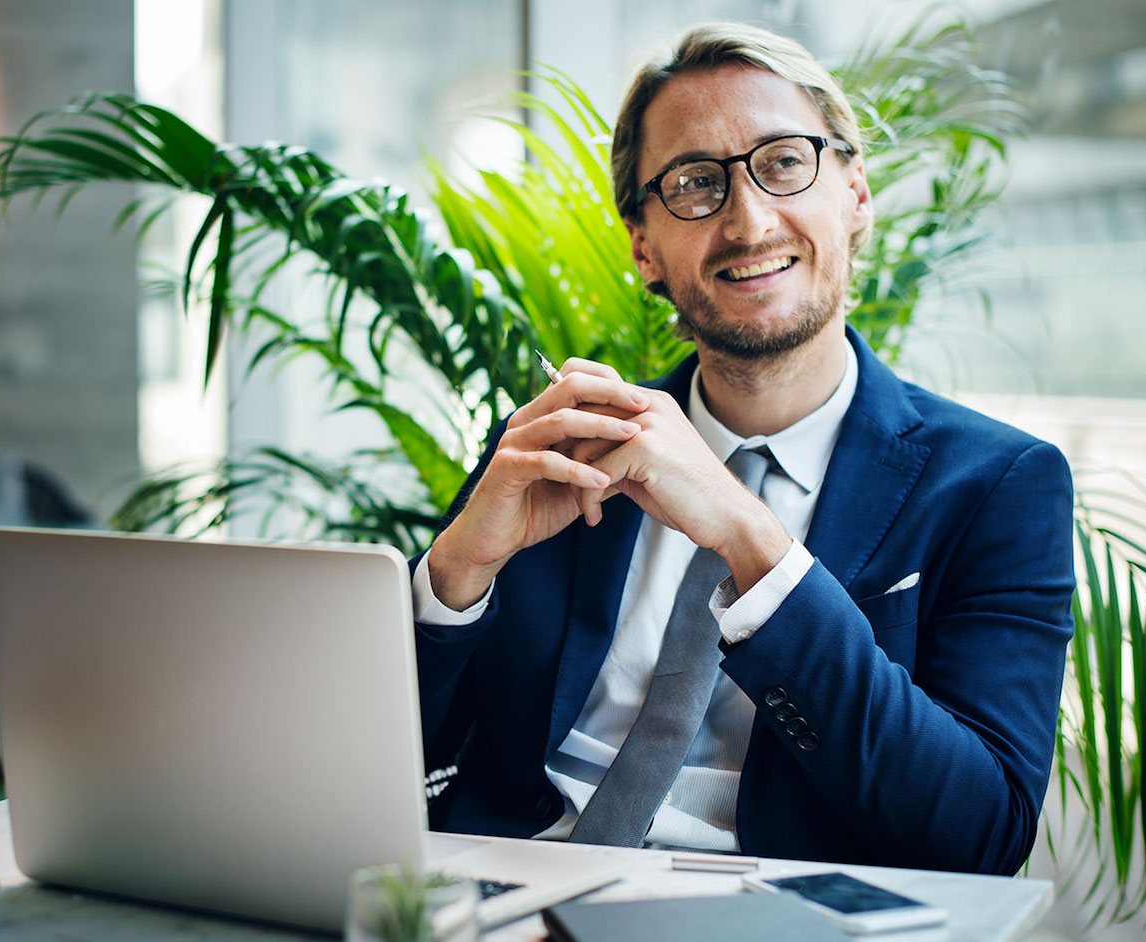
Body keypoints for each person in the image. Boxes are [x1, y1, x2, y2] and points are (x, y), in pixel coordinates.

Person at [410, 22, 1075, 877]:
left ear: (856, 193)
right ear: (644, 248)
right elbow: (366, 767)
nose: (749, 219)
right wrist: (455, 575)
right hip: (505, 906)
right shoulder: (559, 441)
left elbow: (982, 834)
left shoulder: (999, 485)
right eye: (695, 184)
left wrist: (747, 536)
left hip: (788, 933)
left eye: (785, 162)